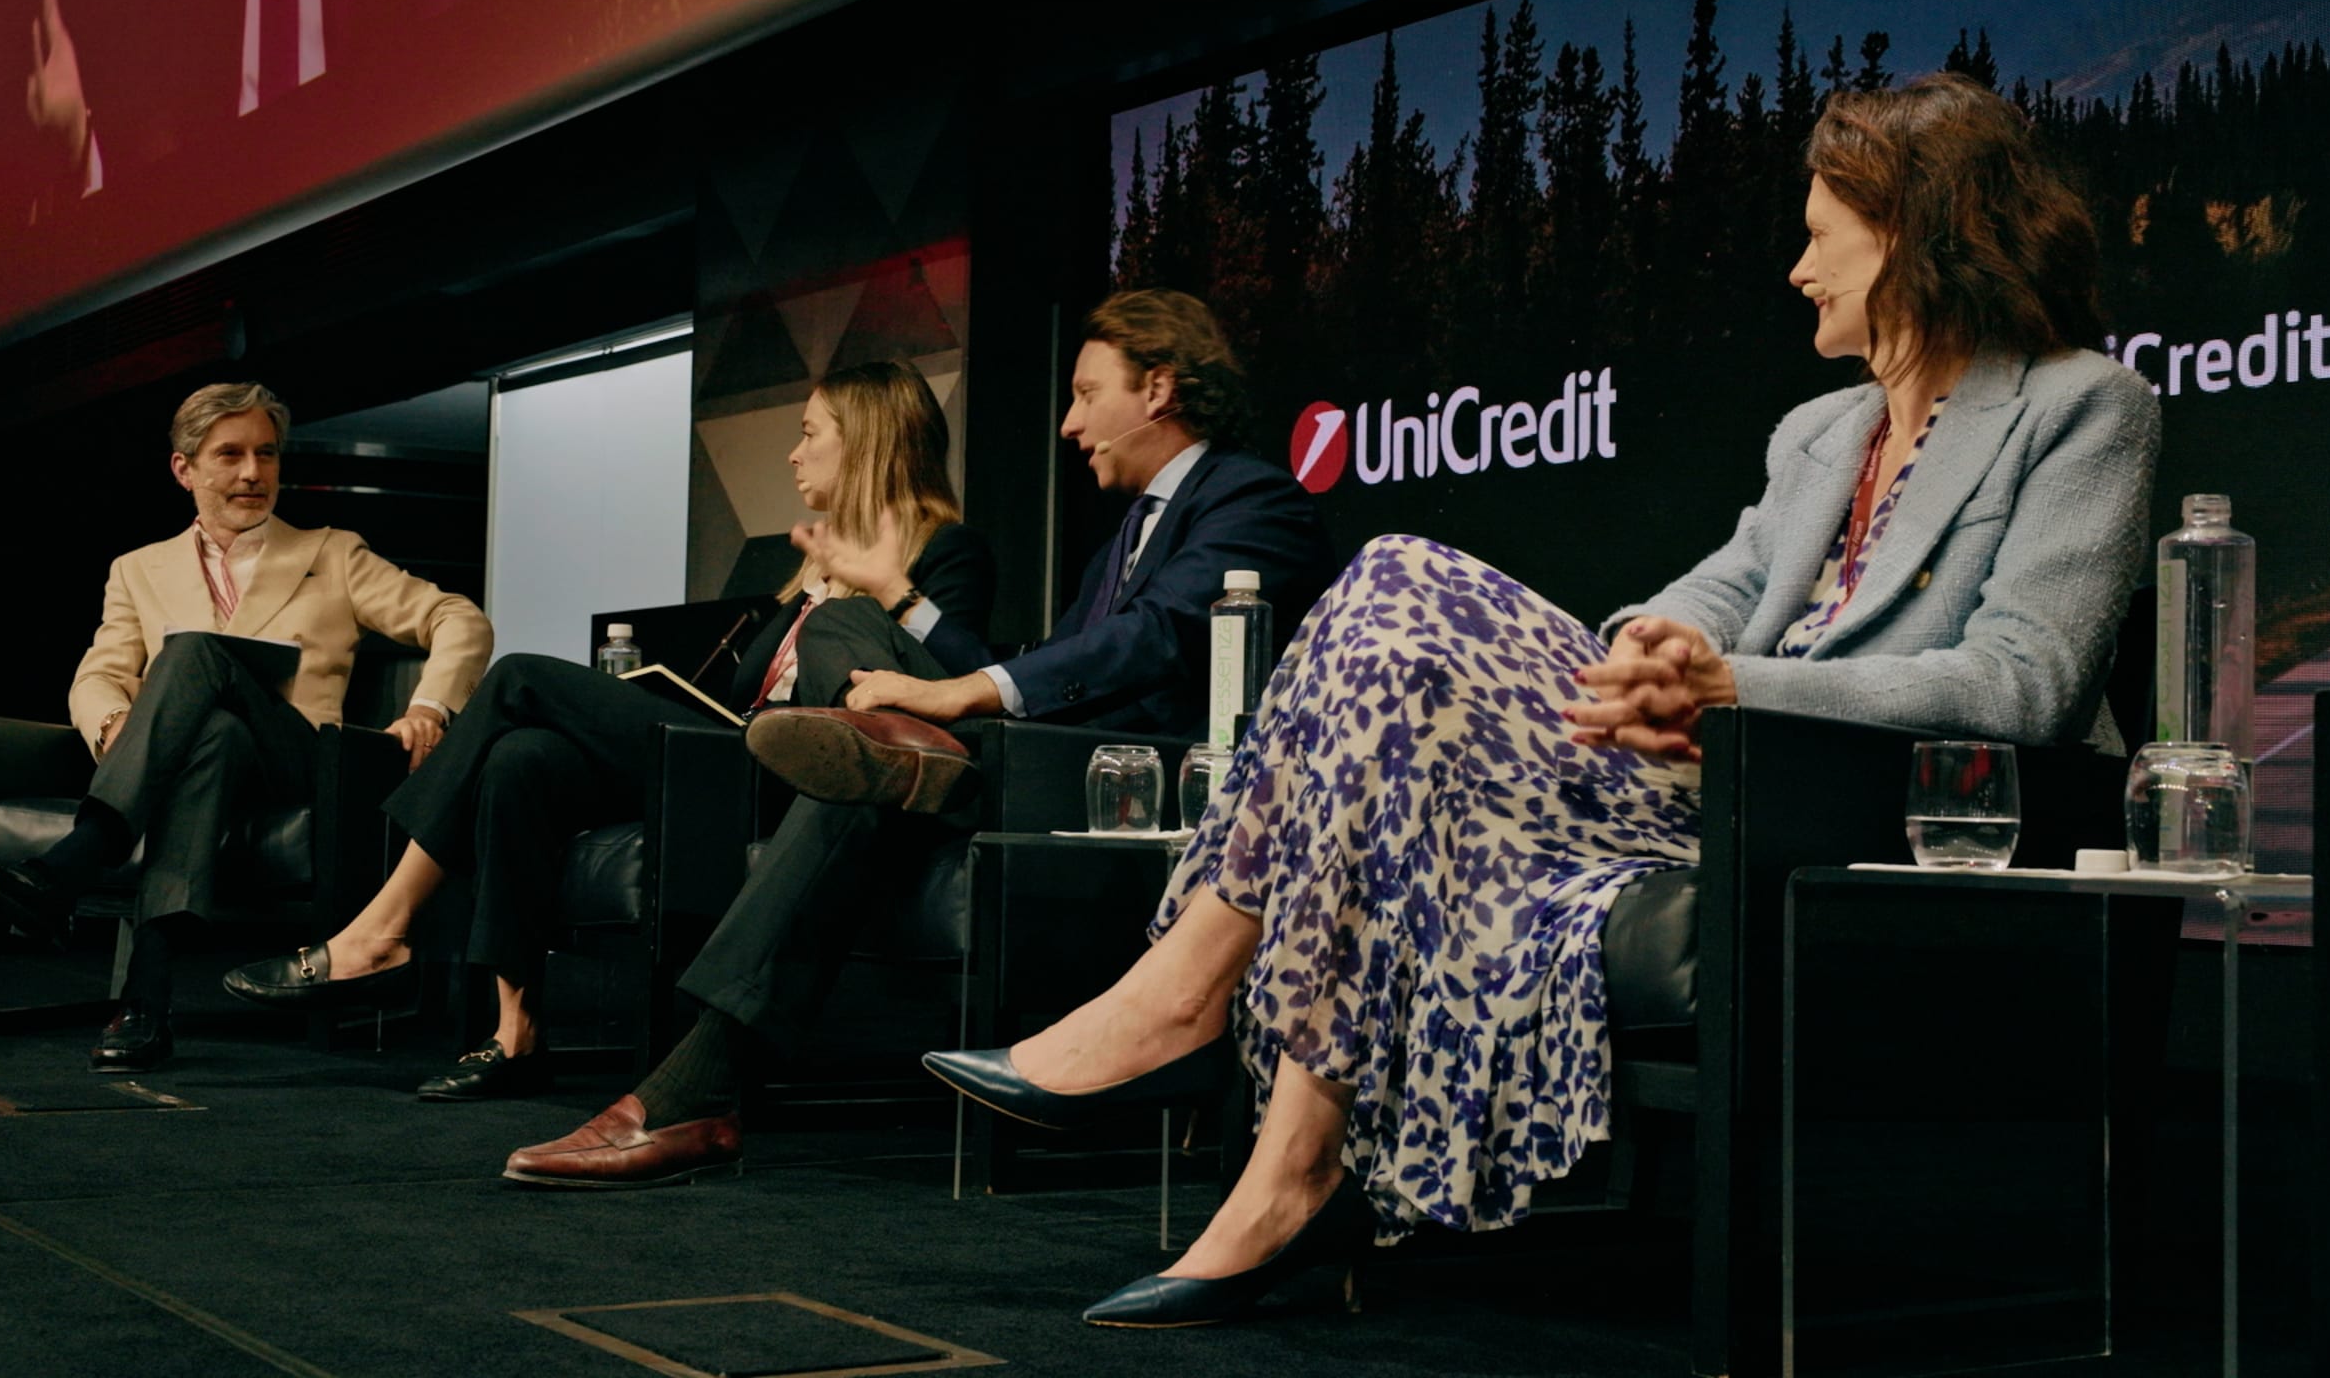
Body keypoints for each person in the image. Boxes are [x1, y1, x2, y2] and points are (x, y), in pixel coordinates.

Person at [922, 73, 2163, 1327]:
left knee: (1403, 576)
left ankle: (1191, 1012)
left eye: (1818, 238)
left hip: (1854, 809)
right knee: (1391, 621)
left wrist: (1732, 687)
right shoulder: (1818, 435)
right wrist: (1651, 652)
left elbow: (2025, 682)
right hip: (1697, 773)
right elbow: (1710, 590)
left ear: (1914, 234)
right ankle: (1277, 1150)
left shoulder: (2080, 406)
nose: (1796, 271)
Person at [496, 289, 1338, 1186]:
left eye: (1089, 395)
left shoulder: (1251, 497)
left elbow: (1156, 637)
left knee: (857, 738)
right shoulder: (1128, 531)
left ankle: (684, 1099)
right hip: (1035, 759)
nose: (1068, 422)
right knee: (843, 684)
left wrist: (961, 694)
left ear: (1160, 389)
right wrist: (897, 597)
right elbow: (1043, 665)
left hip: (1133, 785)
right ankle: (693, 1094)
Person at [221, 360, 996, 1100]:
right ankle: (514, 1030)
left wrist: (885, 589)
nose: (794, 453)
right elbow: (734, 695)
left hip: (812, 779)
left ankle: (379, 929)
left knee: (519, 676)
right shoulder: (804, 572)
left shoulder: (944, 552)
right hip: (728, 755)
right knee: (522, 758)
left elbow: (957, 680)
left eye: (810, 432)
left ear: (864, 442)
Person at [0, 382, 494, 1073]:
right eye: (231, 455)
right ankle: (145, 1003)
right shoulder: (138, 570)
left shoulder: (331, 553)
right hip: (206, 762)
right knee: (213, 735)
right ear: (185, 469)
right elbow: (97, 676)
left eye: (266, 454)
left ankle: (77, 858)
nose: (253, 473)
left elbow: (459, 618)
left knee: (192, 652)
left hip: (300, 763)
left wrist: (428, 708)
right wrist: (114, 720)